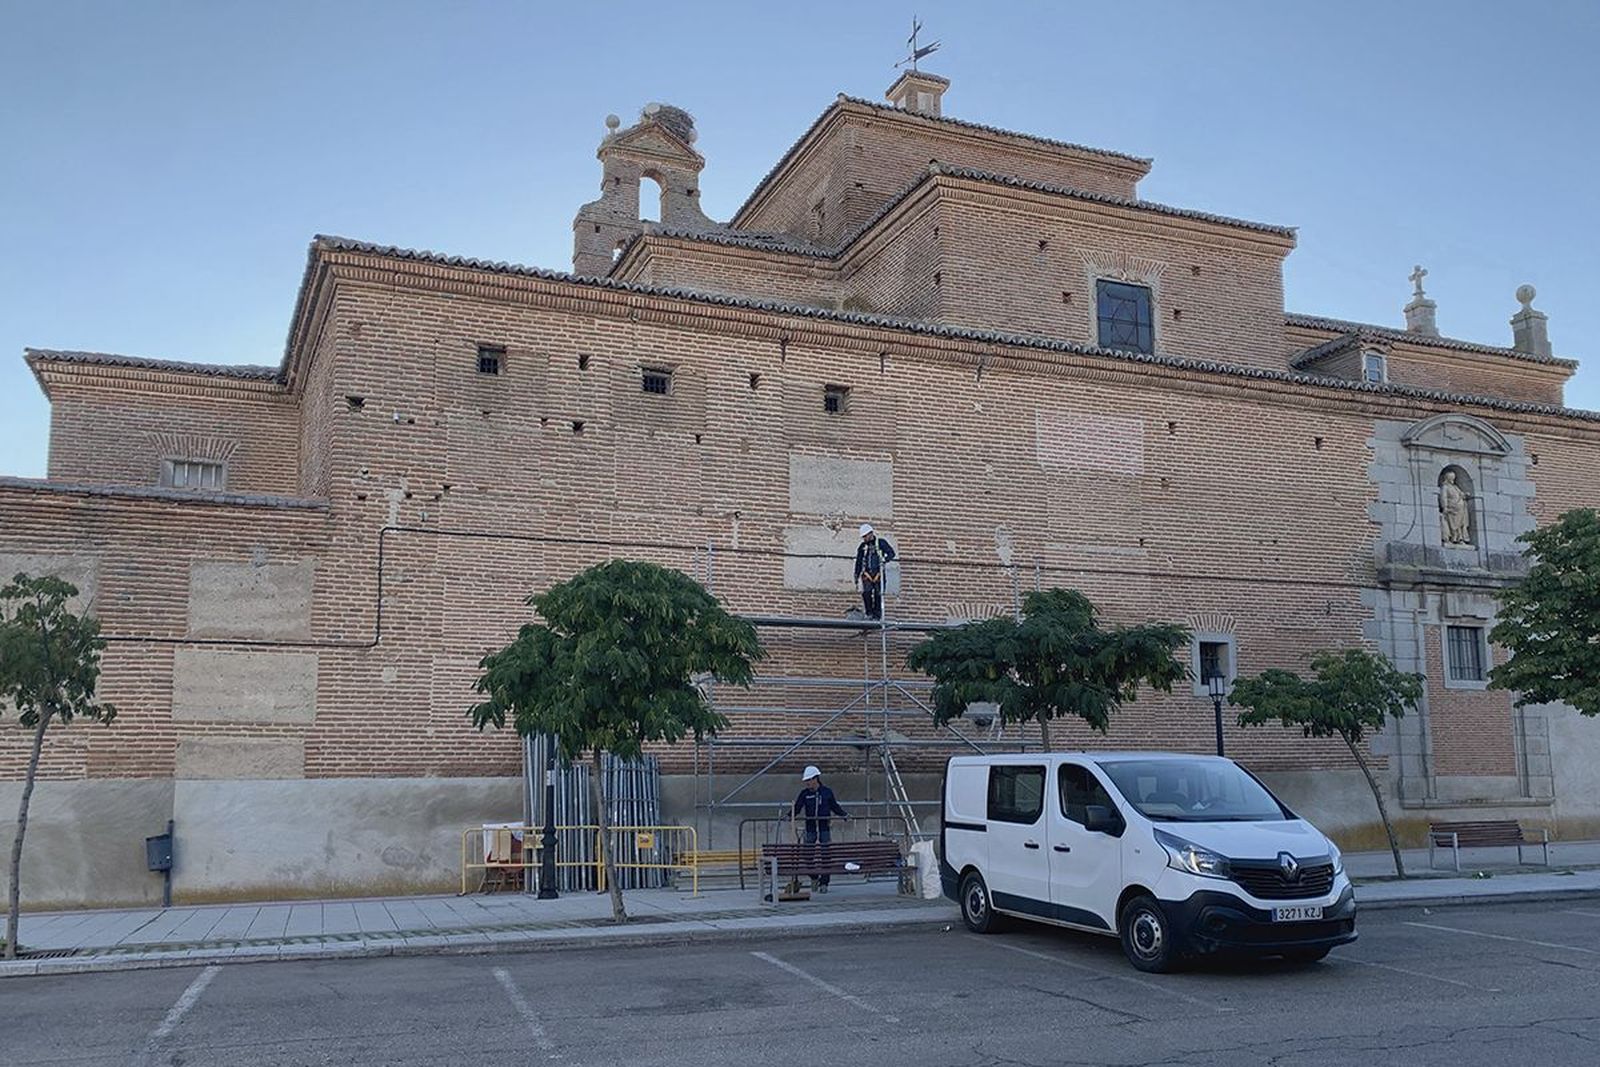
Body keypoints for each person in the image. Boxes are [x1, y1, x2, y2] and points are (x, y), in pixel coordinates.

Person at [793, 765, 849, 892]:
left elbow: (834, 806)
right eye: (806, 781)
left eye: (809, 780)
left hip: (824, 827)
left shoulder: (826, 792)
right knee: (807, 855)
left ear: (816, 779)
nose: (807, 783)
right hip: (810, 828)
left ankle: (824, 883)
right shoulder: (804, 794)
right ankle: (814, 877)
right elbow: (797, 808)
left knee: (825, 855)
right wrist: (788, 816)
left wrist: (843, 814)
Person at [853, 523, 897, 620]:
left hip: (879, 573)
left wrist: (885, 559)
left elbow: (891, 553)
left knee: (878, 594)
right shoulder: (862, 547)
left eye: (865, 536)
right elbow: (859, 561)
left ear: (871, 533)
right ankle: (869, 613)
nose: (864, 538)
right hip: (867, 574)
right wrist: (856, 575)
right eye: (863, 537)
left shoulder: (881, 543)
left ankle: (877, 615)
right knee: (866, 593)